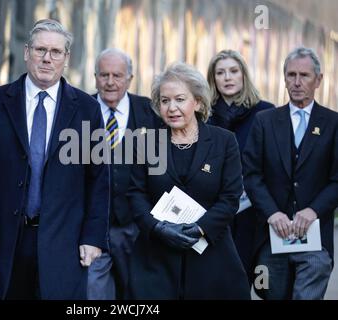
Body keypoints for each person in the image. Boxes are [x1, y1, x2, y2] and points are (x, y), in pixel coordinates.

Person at [0, 19, 109, 300]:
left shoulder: (87, 110)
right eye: (40, 49)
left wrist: (93, 237)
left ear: (66, 58)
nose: (47, 58)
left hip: (65, 241)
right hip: (4, 238)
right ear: (27, 52)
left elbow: (99, 178)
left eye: (56, 52)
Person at [126, 62, 250, 299]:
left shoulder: (224, 141)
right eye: (164, 101)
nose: (171, 108)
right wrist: (158, 228)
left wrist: (200, 228)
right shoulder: (145, 143)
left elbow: (230, 197)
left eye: (180, 99)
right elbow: (135, 194)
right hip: (156, 262)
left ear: (198, 102)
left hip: (211, 260)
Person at [243, 46, 338, 299]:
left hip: (315, 241)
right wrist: (272, 213)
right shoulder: (264, 121)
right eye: (291, 75)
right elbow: (251, 175)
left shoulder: (333, 123)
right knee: (269, 293)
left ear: (318, 80)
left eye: (304, 76)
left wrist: (313, 210)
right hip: (271, 236)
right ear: (284, 78)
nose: (297, 82)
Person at [88, 48, 161, 299]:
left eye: (117, 75)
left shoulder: (151, 113)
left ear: (130, 78)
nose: (110, 82)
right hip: (94, 226)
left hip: (137, 226)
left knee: (137, 294)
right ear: (95, 76)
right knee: (94, 293)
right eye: (104, 75)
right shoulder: (80, 110)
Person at [207, 49, 275, 283]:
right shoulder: (203, 115)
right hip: (213, 211)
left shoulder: (265, 112)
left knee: (243, 278)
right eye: (220, 72)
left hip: (252, 213)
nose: (227, 77)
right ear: (212, 78)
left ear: (243, 75)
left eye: (233, 71)